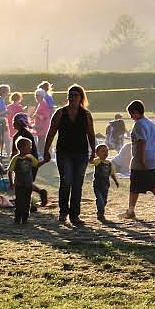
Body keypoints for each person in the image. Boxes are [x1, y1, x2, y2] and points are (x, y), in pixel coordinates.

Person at [43, 84, 95, 227]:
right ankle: (63, 212)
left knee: (77, 184)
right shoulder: (61, 113)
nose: (72, 98)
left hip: (81, 153)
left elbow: (91, 134)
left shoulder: (86, 115)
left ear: (81, 98)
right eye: (70, 95)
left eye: (75, 95)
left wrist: (94, 151)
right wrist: (46, 149)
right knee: (66, 182)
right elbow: (51, 132)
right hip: (64, 153)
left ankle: (75, 215)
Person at [123, 100, 155, 218]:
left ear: (136, 112)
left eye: (131, 113)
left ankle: (131, 210)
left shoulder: (139, 124)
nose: (131, 117)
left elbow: (142, 142)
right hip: (153, 158)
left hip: (141, 158)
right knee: (154, 185)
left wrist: (141, 159)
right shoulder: (151, 123)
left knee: (134, 186)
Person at [11, 112, 48, 206]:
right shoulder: (25, 134)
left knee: (23, 182)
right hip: (30, 160)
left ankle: (26, 202)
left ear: (18, 123)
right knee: (27, 181)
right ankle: (39, 193)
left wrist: (14, 161)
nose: (13, 124)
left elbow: (16, 151)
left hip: (25, 161)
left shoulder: (19, 136)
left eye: (14, 122)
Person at [8, 138, 42, 225]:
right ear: (21, 148)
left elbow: (37, 164)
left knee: (27, 202)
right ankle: (17, 218)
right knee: (19, 202)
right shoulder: (16, 159)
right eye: (28, 147)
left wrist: (45, 161)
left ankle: (25, 219)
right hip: (19, 184)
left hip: (28, 184)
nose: (30, 148)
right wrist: (11, 183)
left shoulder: (30, 157)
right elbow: (10, 171)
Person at [90, 144, 119, 221]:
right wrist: (91, 156)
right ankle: (100, 213)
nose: (105, 153)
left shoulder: (109, 163)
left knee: (104, 200)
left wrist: (116, 181)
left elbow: (112, 173)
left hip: (106, 185)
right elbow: (90, 162)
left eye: (106, 151)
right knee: (100, 199)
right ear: (97, 153)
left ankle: (101, 211)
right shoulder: (97, 161)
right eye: (103, 151)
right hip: (97, 184)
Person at [0, 84, 11, 155]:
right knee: (6, 139)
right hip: (1, 121)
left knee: (4, 139)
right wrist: (6, 111)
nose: (8, 93)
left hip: (2, 120)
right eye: (7, 91)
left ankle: (5, 153)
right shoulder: (0, 100)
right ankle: (8, 154)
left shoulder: (2, 100)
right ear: (4, 92)